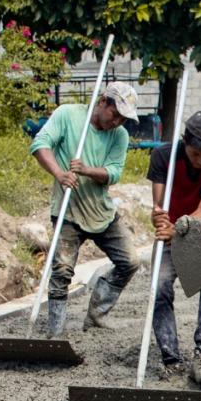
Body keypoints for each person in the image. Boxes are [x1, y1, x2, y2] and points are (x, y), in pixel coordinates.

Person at [30, 82, 140, 336]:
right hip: (68, 210)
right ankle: (55, 331)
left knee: (130, 261)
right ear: (103, 102)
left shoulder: (119, 136)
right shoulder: (68, 115)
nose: (117, 122)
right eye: (115, 115)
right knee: (62, 270)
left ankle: (97, 314)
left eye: (123, 119)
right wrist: (60, 174)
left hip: (101, 212)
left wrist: (87, 170)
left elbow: (114, 172)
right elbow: (39, 145)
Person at [148, 111, 201, 389]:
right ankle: (171, 358)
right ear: (185, 141)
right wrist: (160, 217)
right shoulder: (163, 156)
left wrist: (179, 228)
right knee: (159, 285)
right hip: (172, 225)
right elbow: (159, 206)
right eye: (196, 153)